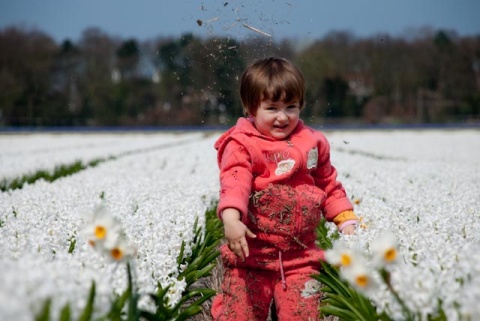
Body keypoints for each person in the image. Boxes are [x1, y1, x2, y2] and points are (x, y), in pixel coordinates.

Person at [211, 57, 358, 321]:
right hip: (250, 259)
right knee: (239, 315)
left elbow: (328, 184)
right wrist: (231, 218)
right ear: (250, 108)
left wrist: (344, 219)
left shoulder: (312, 142)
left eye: (291, 107)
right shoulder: (242, 144)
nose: (282, 117)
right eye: (272, 108)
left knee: (302, 316)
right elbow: (235, 182)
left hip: (301, 258)